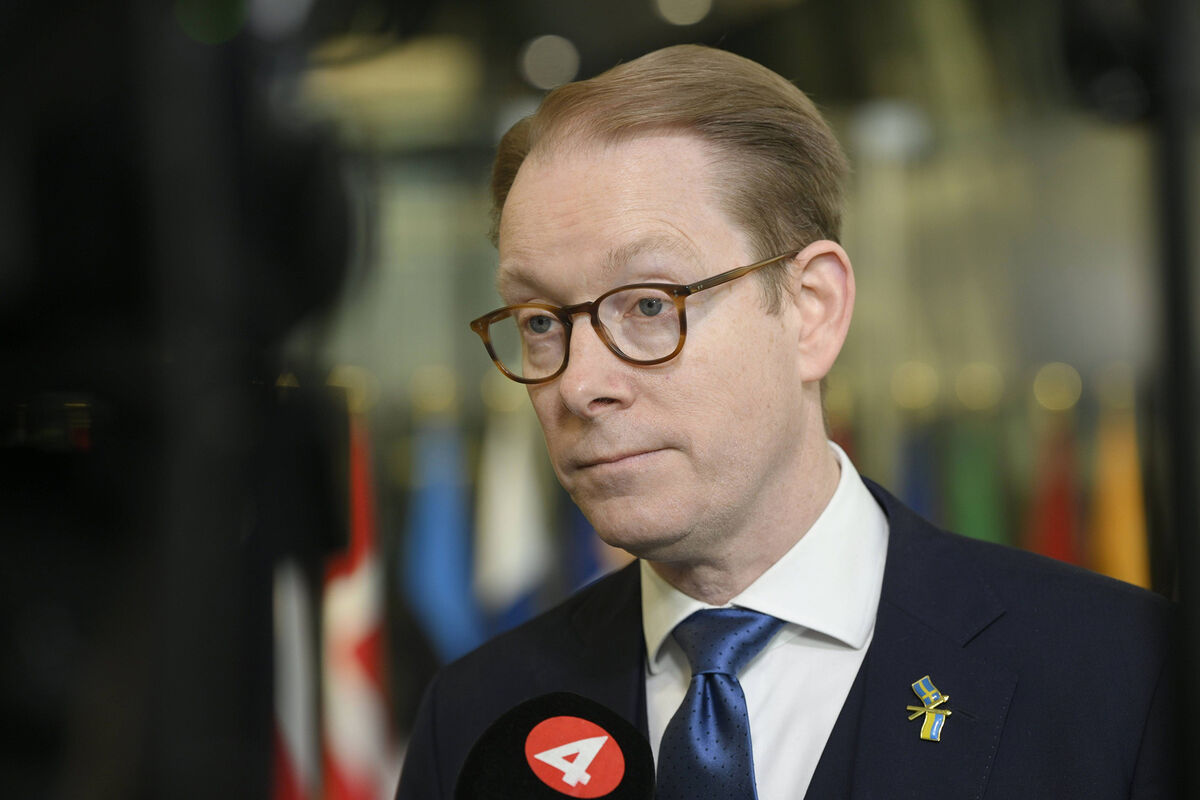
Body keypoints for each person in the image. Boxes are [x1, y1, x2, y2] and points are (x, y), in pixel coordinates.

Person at [395, 45, 1175, 799]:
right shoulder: (473, 718)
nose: (579, 385)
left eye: (649, 305)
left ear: (813, 310)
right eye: (539, 321)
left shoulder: (1123, 676)